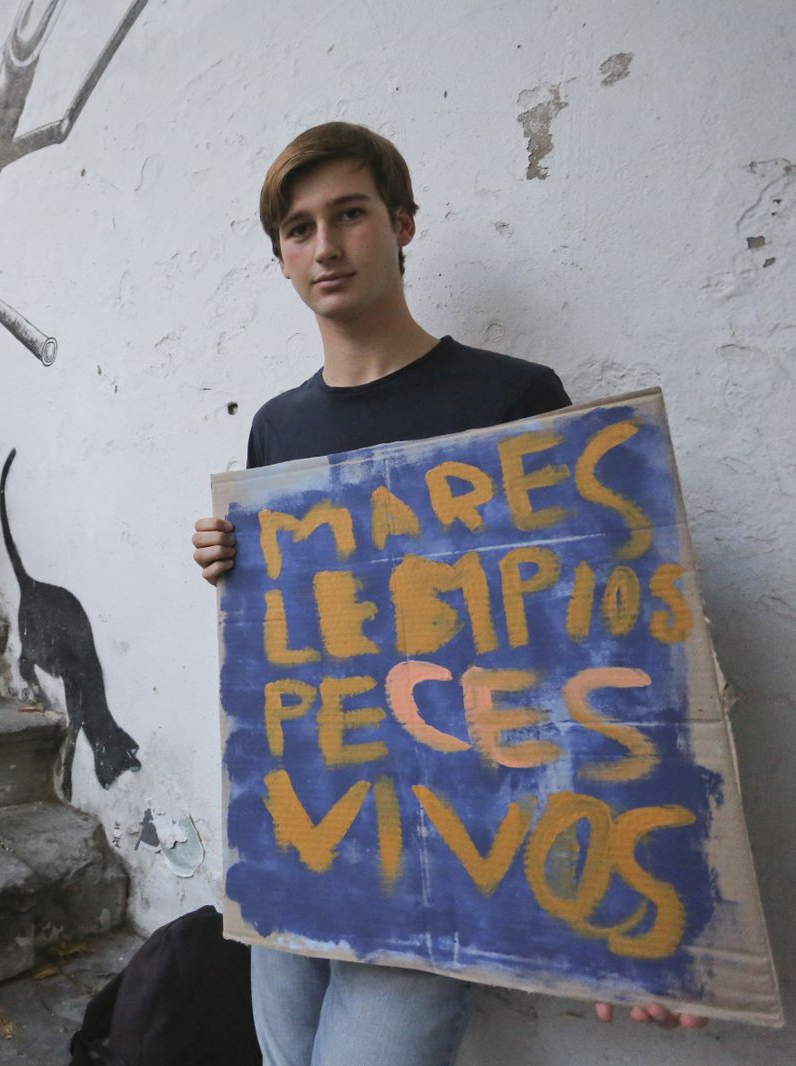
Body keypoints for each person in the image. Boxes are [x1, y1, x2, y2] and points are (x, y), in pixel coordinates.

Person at [188, 122, 708, 1064]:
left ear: (403, 224)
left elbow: (595, 638)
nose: (327, 247)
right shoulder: (276, 427)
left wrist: (636, 914)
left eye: (349, 215)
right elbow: (295, 637)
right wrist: (233, 562)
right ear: (281, 260)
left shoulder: (512, 398)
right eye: (300, 230)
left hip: (447, 839)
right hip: (306, 821)